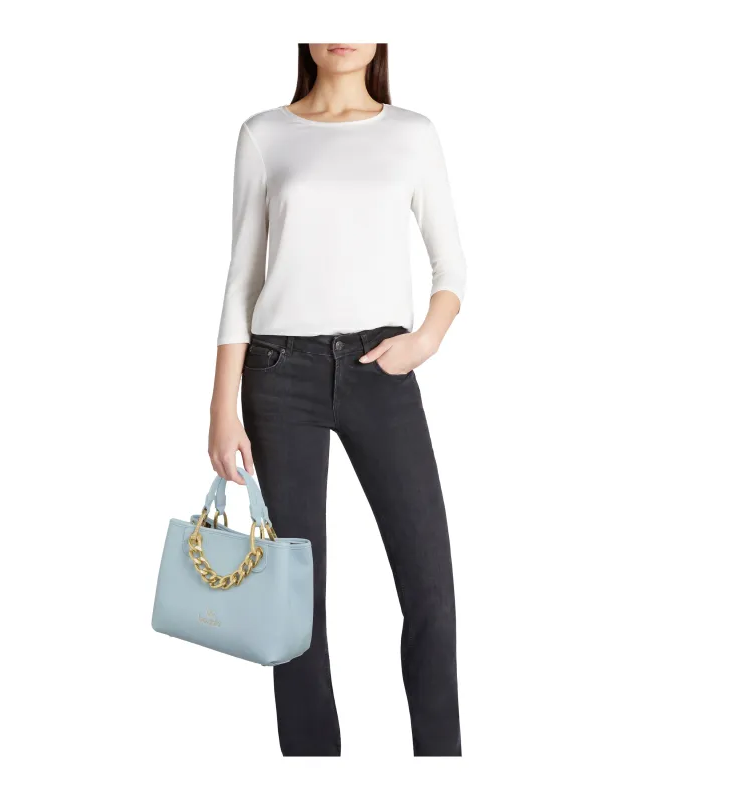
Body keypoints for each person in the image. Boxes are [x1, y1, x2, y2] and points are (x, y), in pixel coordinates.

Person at [209, 43, 466, 756]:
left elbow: (451, 265)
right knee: (295, 600)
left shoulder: (411, 133)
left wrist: (423, 341)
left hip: (381, 368)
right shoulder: (264, 133)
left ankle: (442, 764)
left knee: (430, 589)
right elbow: (241, 280)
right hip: (277, 373)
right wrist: (222, 408)